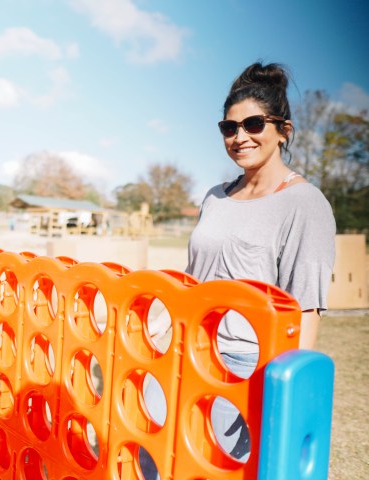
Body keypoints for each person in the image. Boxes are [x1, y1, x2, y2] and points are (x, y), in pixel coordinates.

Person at [141, 62, 336, 476]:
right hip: (184, 345)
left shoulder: (305, 203)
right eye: (229, 128)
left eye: (253, 124)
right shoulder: (216, 196)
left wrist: (286, 394)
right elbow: (196, 276)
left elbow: (306, 309)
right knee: (151, 458)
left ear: (283, 128)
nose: (240, 136)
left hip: (245, 364)